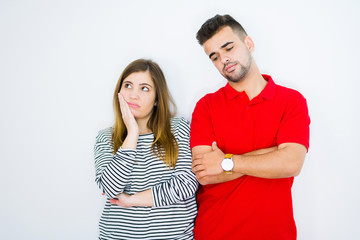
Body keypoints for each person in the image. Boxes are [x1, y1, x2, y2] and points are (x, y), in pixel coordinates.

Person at [190, 14, 310, 240]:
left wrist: (226, 161)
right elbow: (206, 173)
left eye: (228, 48)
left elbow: (292, 163)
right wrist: (274, 153)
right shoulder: (206, 106)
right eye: (214, 56)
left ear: (249, 44)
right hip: (215, 232)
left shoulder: (292, 101)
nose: (223, 59)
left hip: (275, 233)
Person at [94, 59, 198, 240]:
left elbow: (185, 184)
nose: (133, 95)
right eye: (128, 86)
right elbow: (111, 188)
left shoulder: (179, 129)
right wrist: (132, 133)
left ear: (157, 99)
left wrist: (131, 200)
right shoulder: (105, 138)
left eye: (144, 88)